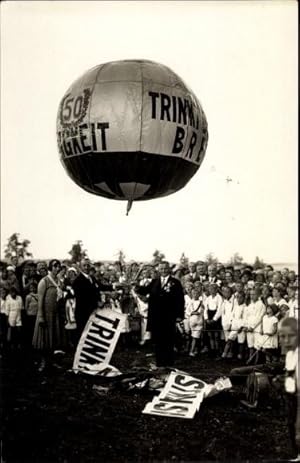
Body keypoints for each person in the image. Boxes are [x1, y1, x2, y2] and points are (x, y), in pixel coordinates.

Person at [135, 261, 184, 368]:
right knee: (157, 341)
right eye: (161, 269)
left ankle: (169, 364)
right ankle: (160, 363)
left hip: (169, 317)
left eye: (165, 269)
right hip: (156, 317)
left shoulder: (175, 282)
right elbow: (144, 291)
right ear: (158, 270)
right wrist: (136, 286)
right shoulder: (154, 282)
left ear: (169, 269)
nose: (163, 271)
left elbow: (180, 300)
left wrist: (179, 315)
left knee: (168, 340)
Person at [32, 259, 66, 371]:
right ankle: (43, 362)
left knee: (53, 339)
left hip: (55, 315)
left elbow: (61, 301)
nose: (57, 269)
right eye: (54, 266)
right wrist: (41, 316)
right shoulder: (44, 281)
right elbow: (40, 300)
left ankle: (51, 362)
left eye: (58, 267)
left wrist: (63, 315)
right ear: (50, 268)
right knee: (44, 339)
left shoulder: (60, 282)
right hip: (46, 314)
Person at [72, 258, 116, 342]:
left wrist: (114, 286)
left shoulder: (92, 278)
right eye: (84, 265)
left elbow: (101, 286)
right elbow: (83, 298)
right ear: (80, 267)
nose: (86, 267)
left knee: (91, 333)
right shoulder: (77, 281)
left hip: (92, 311)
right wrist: (96, 302)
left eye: (88, 265)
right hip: (83, 312)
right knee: (83, 334)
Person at [278, 317, 299, 460]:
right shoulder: (290, 354)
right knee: (291, 425)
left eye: (291, 336)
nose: (286, 340)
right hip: (291, 398)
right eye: (282, 336)